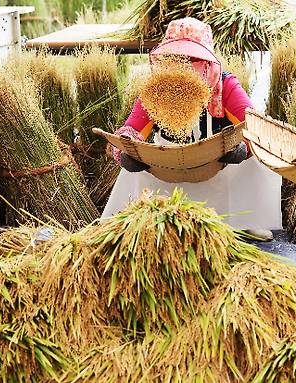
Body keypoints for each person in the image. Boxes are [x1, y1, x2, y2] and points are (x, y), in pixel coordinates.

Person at [102, 17, 282, 240]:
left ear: (208, 64)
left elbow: (256, 127)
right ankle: (145, 221)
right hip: (167, 173)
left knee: (258, 162)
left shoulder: (226, 86)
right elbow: (130, 129)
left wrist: (242, 149)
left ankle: (246, 220)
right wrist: (124, 153)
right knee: (131, 169)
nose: (183, 68)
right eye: (176, 58)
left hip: (218, 168)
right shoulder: (157, 88)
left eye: (192, 60)